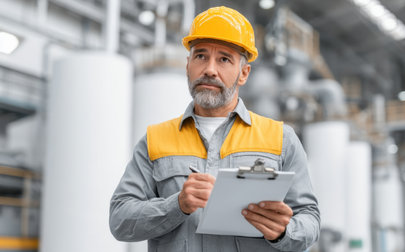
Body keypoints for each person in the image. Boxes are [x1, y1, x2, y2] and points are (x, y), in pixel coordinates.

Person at [110, 6, 320, 252]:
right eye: (200, 56)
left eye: (224, 59)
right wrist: (176, 205)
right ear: (188, 65)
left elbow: (310, 220)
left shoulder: (280, 139)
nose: (210, 69)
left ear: (243, 73)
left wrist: (284, 232)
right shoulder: (156, 140)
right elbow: (120, 220)